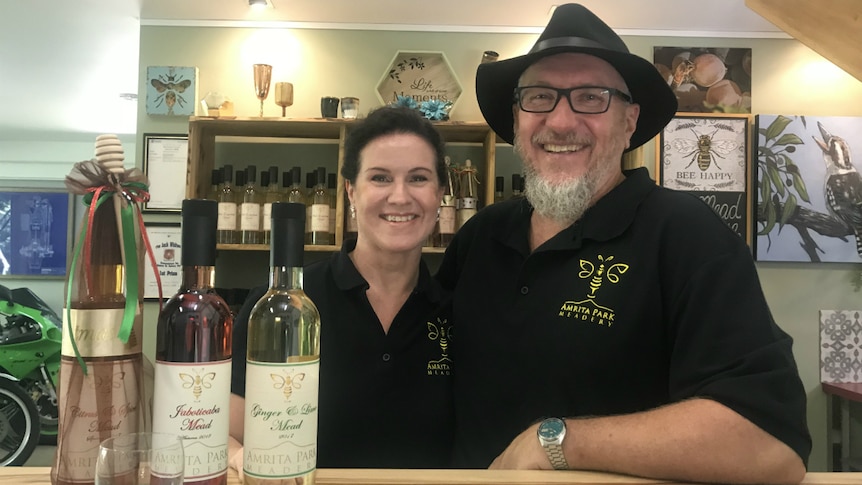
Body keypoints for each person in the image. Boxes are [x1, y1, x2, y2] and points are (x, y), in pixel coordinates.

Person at [435, 3, 811, 483]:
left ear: (629, 121)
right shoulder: (481, 236)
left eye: (591, 98)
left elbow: (769, 443)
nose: (561, 121)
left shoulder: (686, 235)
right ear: (516, 120)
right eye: (539, 96)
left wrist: (554, 442)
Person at [229, 106, 454, 472]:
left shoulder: (457, 312)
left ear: (440, 193)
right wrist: (246, 464)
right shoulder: (284, 307)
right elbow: (226, 435)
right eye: (380, 178)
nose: (399, 197)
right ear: (351, 191)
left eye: (418, 178)